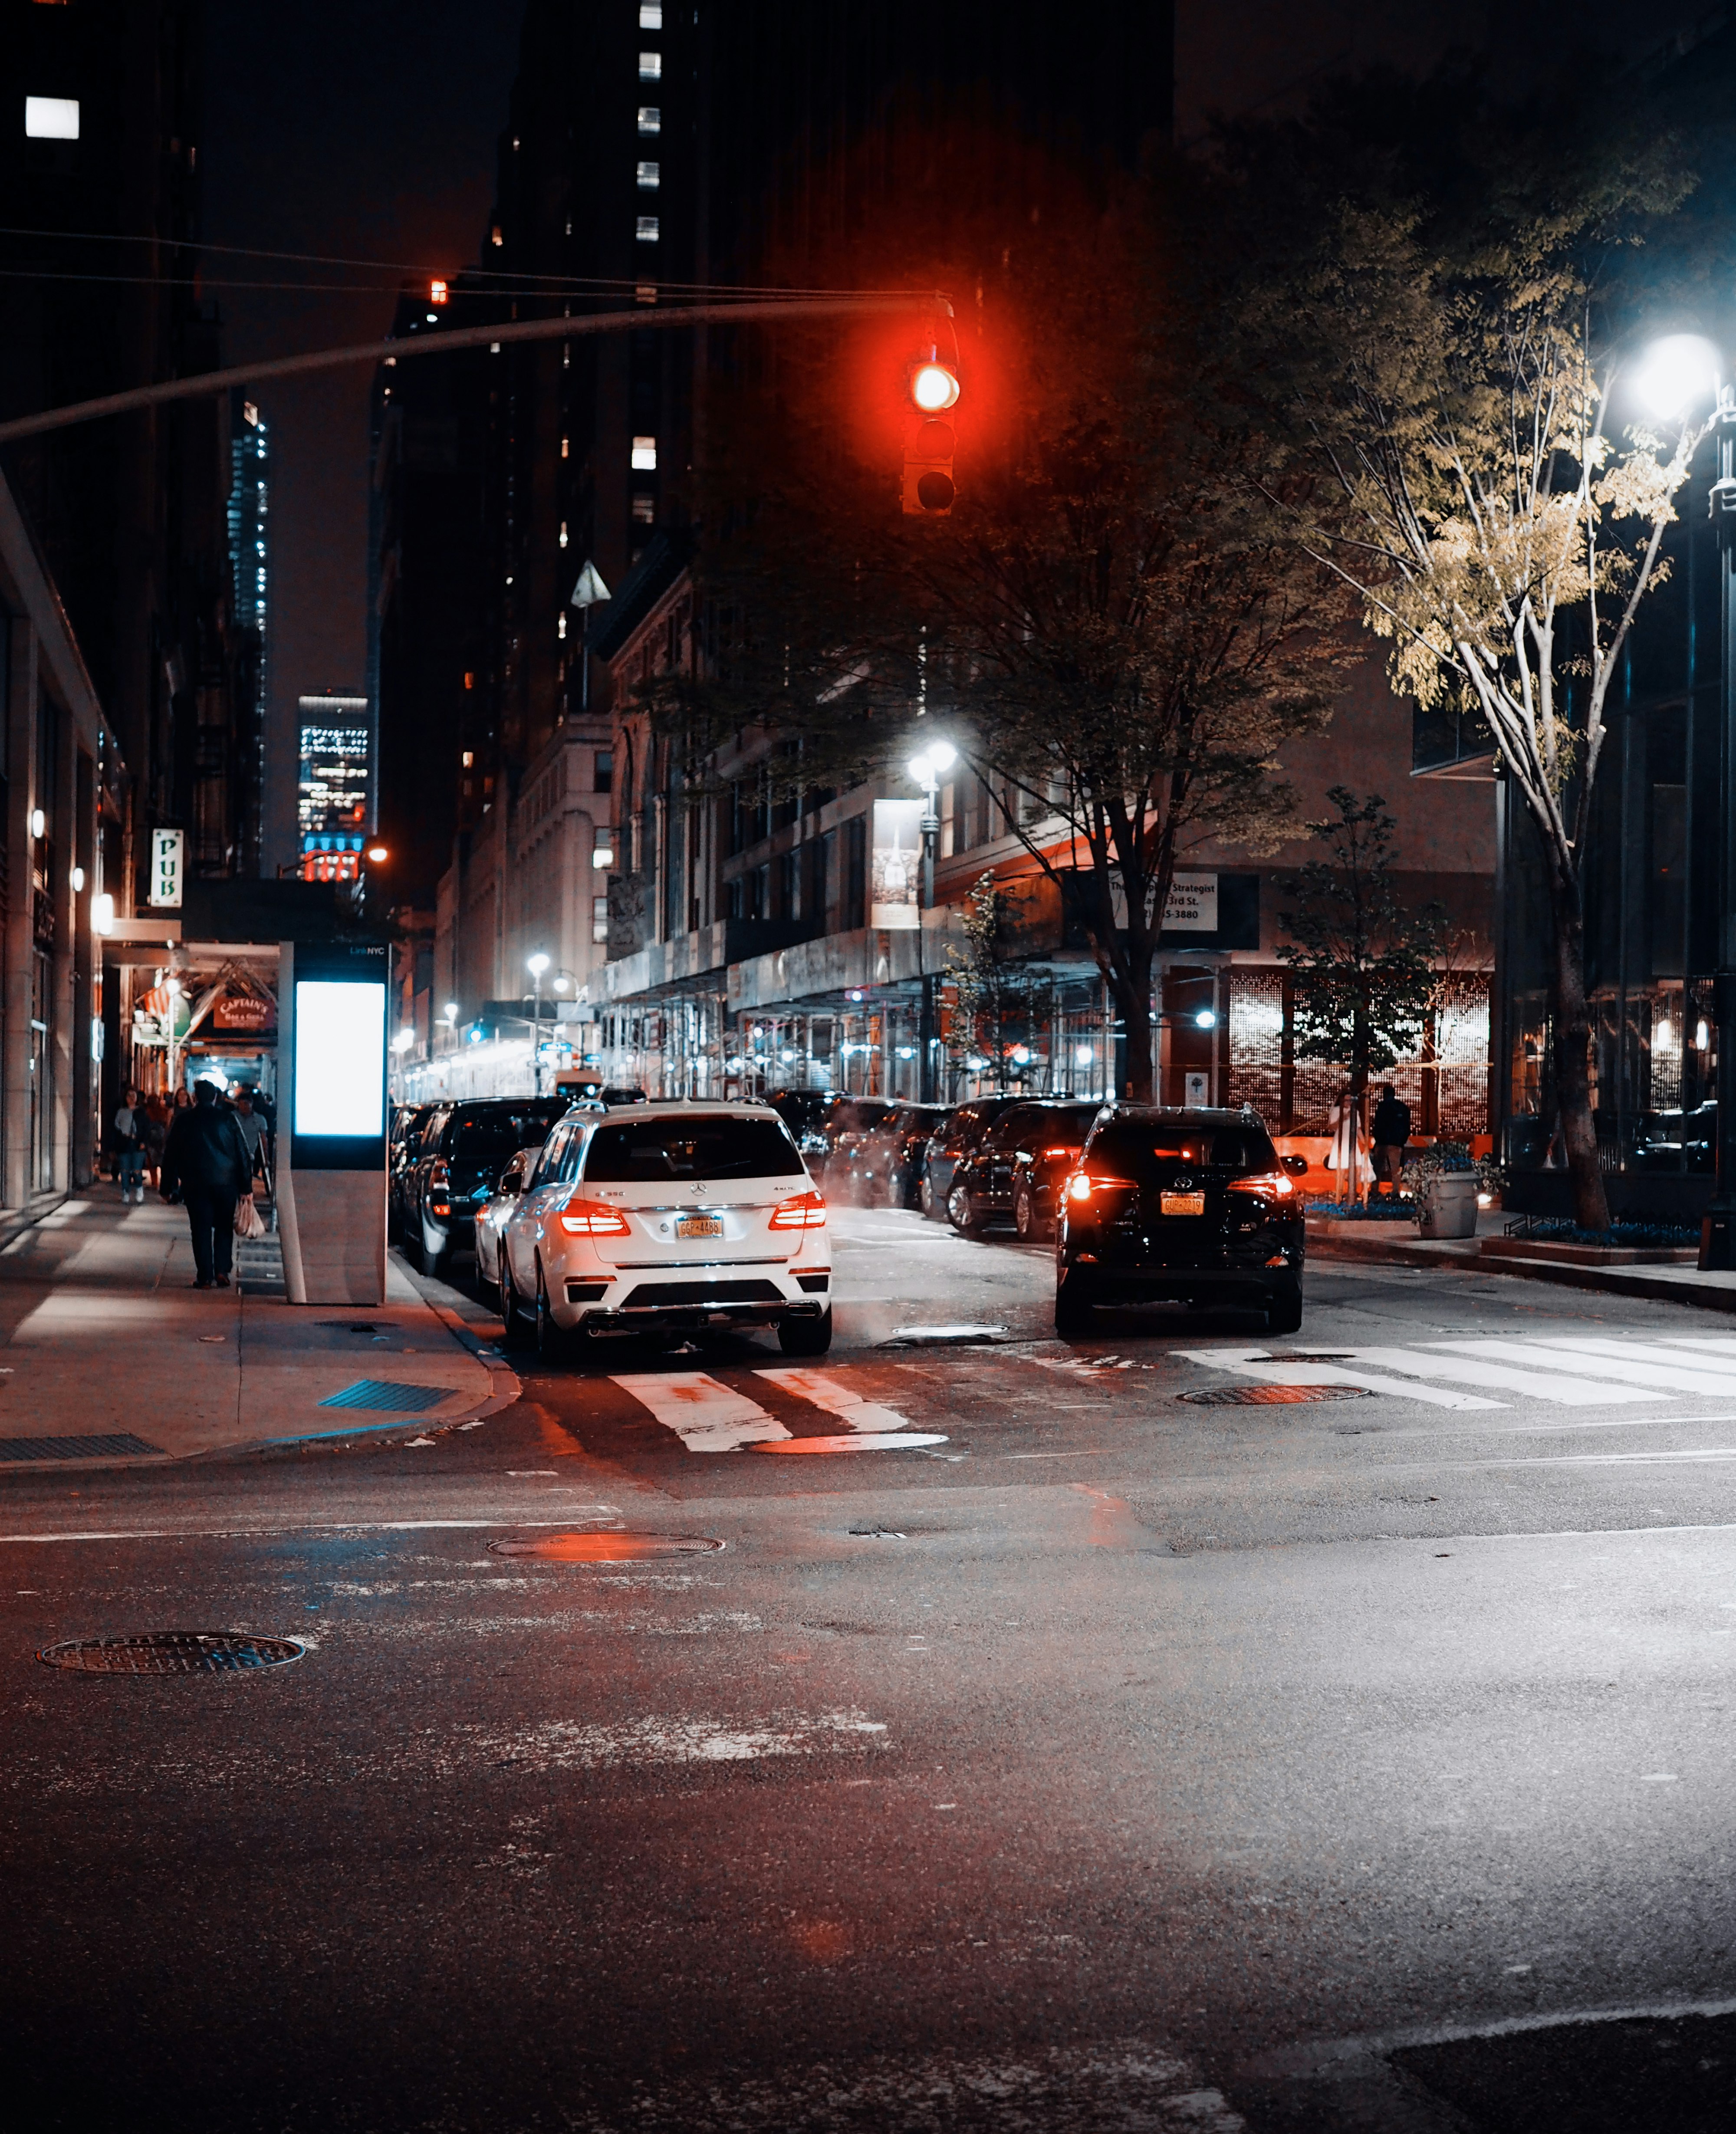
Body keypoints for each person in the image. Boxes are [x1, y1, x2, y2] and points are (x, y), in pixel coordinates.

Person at [160, 1079, 253, 1289]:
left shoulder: (185, 1121)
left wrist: (168, 1187)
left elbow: (171, 1155)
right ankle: (222, 1271)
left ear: (195, 1098)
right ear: (215, 1097)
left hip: (195, 1184)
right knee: (223, 1227)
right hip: (226, 1184)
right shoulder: (228, 1120)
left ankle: (205, 1276)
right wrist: (246, 1186)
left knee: (201, 1229)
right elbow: (242, 1153)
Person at [1371, 1082, 1413, 1197]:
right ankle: (1395, 1192)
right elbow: (1406, 1126)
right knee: (1396, 1170)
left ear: (1384, 1095)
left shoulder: (1382, 1107)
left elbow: (1377, 1125)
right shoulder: (1402, 1108)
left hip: (1382, 1142)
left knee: (1377, 1169)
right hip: (1396, 1143)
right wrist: (1402, 1141)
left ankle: (1375, 1191)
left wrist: (1377, 1140)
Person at [113, 1087, 146, 1204]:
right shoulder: (121, 1112)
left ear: (137, 1099)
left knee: (137, 1170)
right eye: (129, 1096)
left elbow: (146, 1129)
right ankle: (126, 1192)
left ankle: (139, 1188)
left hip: (137, 1144)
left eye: (133, 1096)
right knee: (125, 1170)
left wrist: (143, 1142)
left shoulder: (141, 1112)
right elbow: (117, 1127)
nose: (131, 1099)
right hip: (124, 1143)